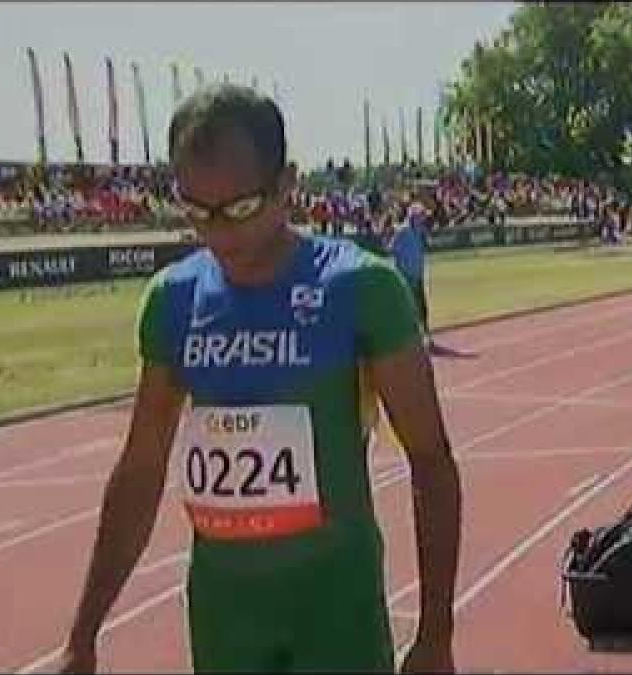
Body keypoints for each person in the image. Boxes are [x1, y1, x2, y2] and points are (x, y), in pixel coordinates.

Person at [54, 84, 461, 674]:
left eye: (240, 209)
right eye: (196, 211)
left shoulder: (361, 289)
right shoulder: (174, 299)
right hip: (225, 621)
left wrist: (435, 634)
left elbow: (431, 460)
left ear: (287, 184)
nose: (219, 233)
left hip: (335, 617)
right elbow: (141, 471)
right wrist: (83, 632)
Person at [390, 202, 432, 344]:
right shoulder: (402, 231)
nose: (422, 219)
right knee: (408, 308)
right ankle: (406, 338)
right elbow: (392, 249)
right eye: (420, 216)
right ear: (412, 216)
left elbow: (424, 248)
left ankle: (425, 334)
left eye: (422, 216)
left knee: (422, 307)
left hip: (417, 274)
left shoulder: (420, 232)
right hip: (405, 276)